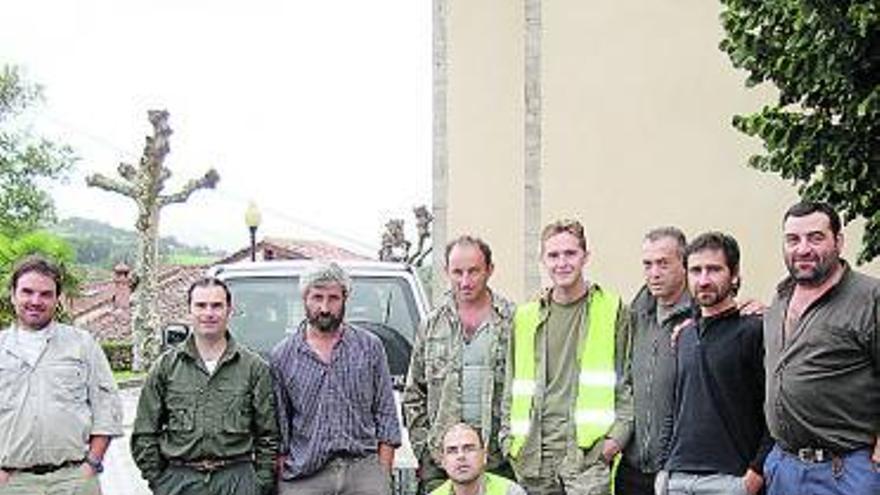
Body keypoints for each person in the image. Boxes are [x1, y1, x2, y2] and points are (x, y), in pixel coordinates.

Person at [500, 219, 633, 495]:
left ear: (586, 256)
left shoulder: (612, 310)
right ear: (542, 260)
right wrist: (508, 442)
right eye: (553, 255)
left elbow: (628, 385)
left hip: (587, 457)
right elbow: (510, 388)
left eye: (570, 253)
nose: (562, 263)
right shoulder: (524, 317)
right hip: (534, 458)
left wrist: (613, 443)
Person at [762, 202, 880, 494]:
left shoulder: (870, 298)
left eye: (815, 237)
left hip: (846, 472)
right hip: (783, 468)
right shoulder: (779, 300)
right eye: (793, 239)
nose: (802, 249)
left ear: (838, 241)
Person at [131, 277, 279, 495]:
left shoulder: (254, 368)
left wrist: (260, 483)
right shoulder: (165, 368)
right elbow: (144, 433)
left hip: (238, 481)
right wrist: (160, 482)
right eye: (201, 305)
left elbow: (269, 435)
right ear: (189, 310)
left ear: (229, 310)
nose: (208, 313)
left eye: (217, 306)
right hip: (180, 481)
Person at [270, 261, 401, 495]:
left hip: (363, 470)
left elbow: (386, 412)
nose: (325, 307)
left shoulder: (370, 347)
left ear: (345, 298)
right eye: (317, 297)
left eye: (333, 298)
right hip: (305, 474)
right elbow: (280, 425)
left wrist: (382, 473)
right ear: (304, 299)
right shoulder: (283, 355)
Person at [0, 255, 123, 494]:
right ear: (13, 294)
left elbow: (107, 407)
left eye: (46, 294)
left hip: (74, 479)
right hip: (12, 483)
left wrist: (91, 464)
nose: (35, 301)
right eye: (27, 292)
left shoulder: (82, 345)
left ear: (57, 299)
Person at [403, 235, 516, 493]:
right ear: (446, 272)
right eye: (457, 272)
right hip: (442, 465)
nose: (465, 281)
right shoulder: (431, 325)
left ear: (490, 270)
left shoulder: (512, 322)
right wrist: (426, 448)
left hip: (498, 460)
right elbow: (414, 394)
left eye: (474, 271)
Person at [661, 232, 771, 495]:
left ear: (734, 274)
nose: (704, 280)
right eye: (696, 271)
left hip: (730, 480)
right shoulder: (684, 335)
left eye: (714, 270)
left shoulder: (755, 331)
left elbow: (775, 410)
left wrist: (754, 475)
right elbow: (677, 408)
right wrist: (664, 469)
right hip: (676, 479)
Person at [616, 228, 691, 495]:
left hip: (681, 471)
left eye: (663, 263)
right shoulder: (635, 315)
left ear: (684, 265)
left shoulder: (702, 318)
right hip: (633, 468)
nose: (654, 273)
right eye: (648, 264)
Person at [432, 423, 526, 495]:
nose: (461, 456)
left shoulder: (509, 492)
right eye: (452, 451)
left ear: (484, 456)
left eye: (469, 449)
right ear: (443, 461)